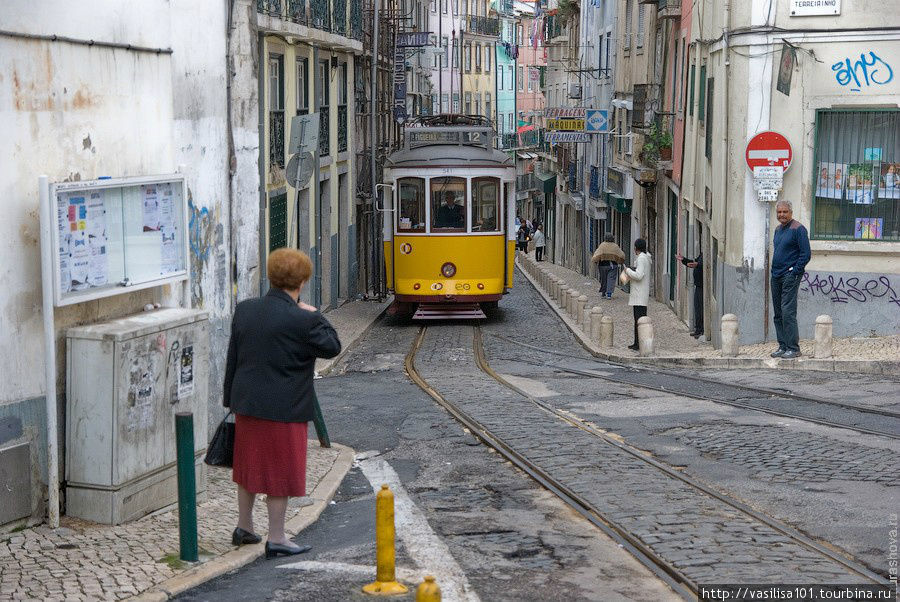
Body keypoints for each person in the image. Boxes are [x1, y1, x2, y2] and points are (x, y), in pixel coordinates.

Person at [224, 248, 342, 558]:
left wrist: (230, 400)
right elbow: (332, 347)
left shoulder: (245, 309)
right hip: (285, 408)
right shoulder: (304, 319)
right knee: (279, 472)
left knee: (249, 466)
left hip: (247, 403)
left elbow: (233, 358)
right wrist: (316, 314)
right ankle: (277, 537)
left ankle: (244, 526)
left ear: (272, 277)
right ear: (302, 281)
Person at [770, 200, 810, 359]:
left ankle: (793, 348)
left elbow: (805, 254)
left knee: (788, 312)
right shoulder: (777, 229)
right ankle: (783, 346)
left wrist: (794, 271)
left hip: (789, 275)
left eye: (785, 212)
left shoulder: (798, 229)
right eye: (779, 212)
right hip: (776, 275)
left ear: (791, 213)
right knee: (778, 313)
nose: (782, 215)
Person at [623, 238, 652, 351]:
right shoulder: (646, 258)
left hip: (639, 294)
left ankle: (638, 344)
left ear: (636, 248)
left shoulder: (641, 259)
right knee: (639, 319)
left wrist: (627, 271)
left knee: (638, 320)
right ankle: (638, 342)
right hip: (642, 294)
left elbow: (639, 276)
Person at [676, 250, 703, 337]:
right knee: (697, 309)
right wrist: (684, 260)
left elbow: (706, 266)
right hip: (698, 286)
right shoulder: (702, 255)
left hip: (703, 287)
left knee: (701, 310)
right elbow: (694, 262)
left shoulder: (707, 255)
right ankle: (698, 329)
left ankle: (701, 330)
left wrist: (697, 265)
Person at [591, 234, 626, 299]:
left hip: (602, 265)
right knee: (611, 279)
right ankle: (609, 294)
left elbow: (596, 254)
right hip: (612, 266)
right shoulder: (615, 246)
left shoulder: (602, 245)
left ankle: (603, 293)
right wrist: (620, 261)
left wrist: (595, 260)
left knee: (603, 279)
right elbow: (622, 255)